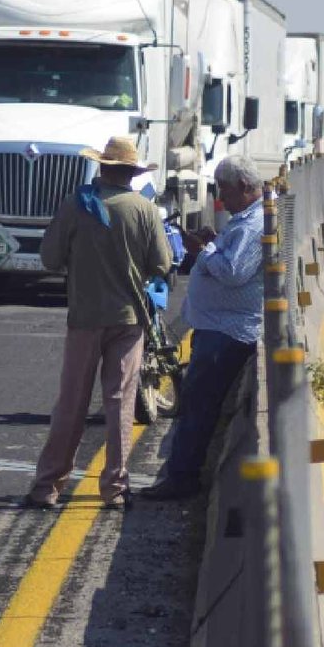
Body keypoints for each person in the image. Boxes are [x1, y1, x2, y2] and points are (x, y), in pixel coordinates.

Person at [22, 137, 173, 511]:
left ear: (102, 168)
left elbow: (49, 259)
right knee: (120, 404)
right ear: (132, 174)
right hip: (128, 321)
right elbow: (162, 265)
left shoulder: (76, 205)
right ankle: (116, 489)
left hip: (85, 319)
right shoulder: (144, 209)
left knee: (71, 403)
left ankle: (47, 486)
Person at [140, 156, 265, 501]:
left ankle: (183, 477)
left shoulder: (253, 225)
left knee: (198, 402)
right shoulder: (246, 219)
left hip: (228, 330)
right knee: (197, 400)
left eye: (225, 190)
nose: (222, 198)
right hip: (219, 326)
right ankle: (183, 472)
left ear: (243, 186)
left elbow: (233, 272)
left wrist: (204, 250)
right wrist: (213, 243)